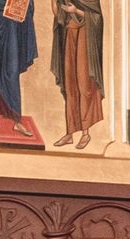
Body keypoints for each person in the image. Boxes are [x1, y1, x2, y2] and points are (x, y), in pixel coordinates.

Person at [50, 0, 103, 149]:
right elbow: (59, 15)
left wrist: (76, 11)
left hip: (86, 35)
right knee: (70, 84)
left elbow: (97, 17)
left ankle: (86, 133)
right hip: (69, 33)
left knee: (83, 83)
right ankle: (70, 132)